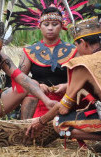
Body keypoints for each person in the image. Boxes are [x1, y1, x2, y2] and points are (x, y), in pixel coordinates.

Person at [26, 16, 101, 149]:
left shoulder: (83, 64)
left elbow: (64, 106)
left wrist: (41, 121)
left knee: (59, 123)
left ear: (83, 43)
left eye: (76, 45)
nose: (76, 50)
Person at [10, 0, 93, 119]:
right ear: (39, 26)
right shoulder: (29, 51)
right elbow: (19, 79)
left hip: (68, 99)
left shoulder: (74, 50)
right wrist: (36, 85)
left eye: (55, 24)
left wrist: (66, 86)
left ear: (62, 26)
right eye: (46, 24)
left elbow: (84, 77)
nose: (50, 28)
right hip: (38, 99)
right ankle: (24, 128)